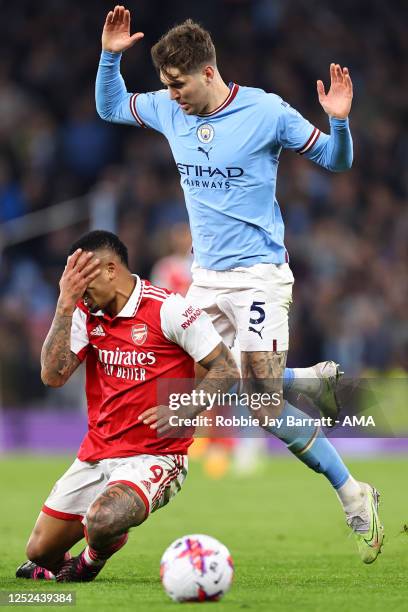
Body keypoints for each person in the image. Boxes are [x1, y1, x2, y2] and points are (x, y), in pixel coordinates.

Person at [94, 6, 383, 563]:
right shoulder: (167, 110)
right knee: (186, 380)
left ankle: (354, 494)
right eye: (164, 86)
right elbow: (109, 105)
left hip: (258, 276)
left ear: (207, 73)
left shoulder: (266, 112)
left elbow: (335, 160)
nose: (171, 95)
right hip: (205, 278)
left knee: (263, 406)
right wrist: (110, 56)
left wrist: (340, 121)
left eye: (178, 85)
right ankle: (306, 377)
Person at [16, 230, 239, 582]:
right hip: (97, 453)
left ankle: (90, 561)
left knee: (103, 518)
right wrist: (64, 305)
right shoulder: (84, 314)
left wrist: (185, 407)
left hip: (156, 454)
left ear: (109, 270)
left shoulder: (170, 309)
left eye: (84, 285)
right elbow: (53, 375)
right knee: (39, 551)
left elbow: (227, 368)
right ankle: (93, 540)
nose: (81, 296)